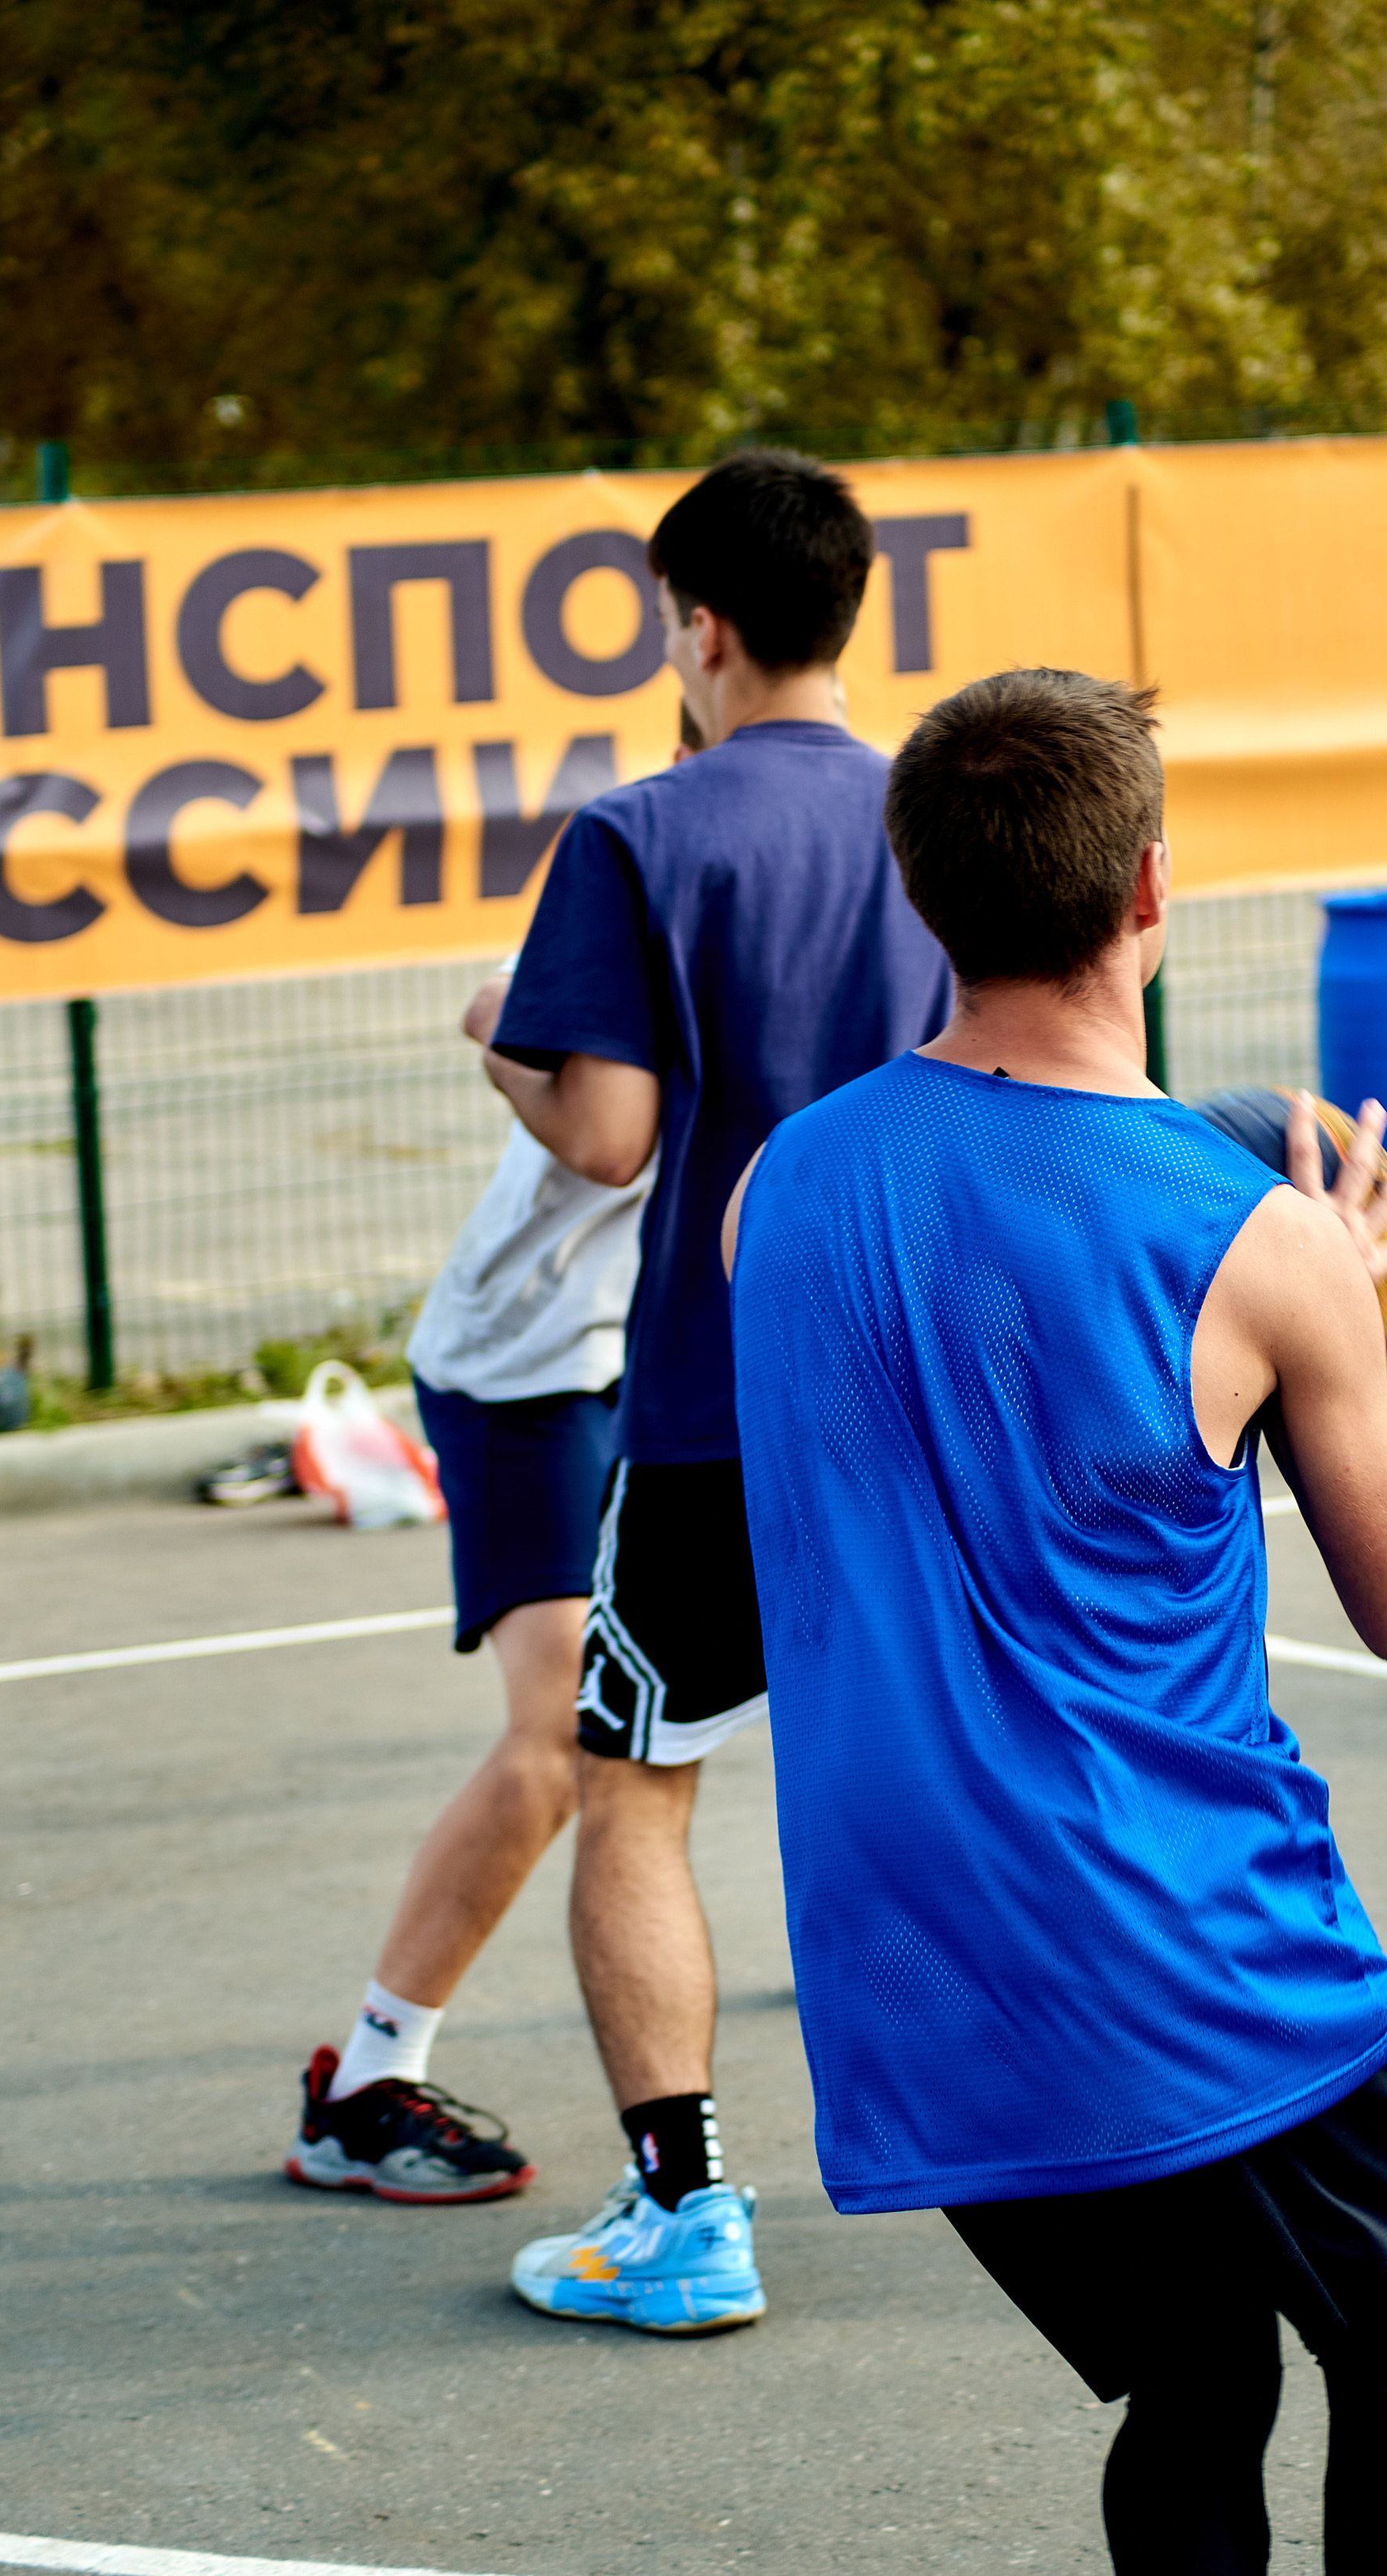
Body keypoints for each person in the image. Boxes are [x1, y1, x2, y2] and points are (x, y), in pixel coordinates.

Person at [723, 670, 1387, 2576]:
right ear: (1153, 893)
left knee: (1188, 2375)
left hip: (917, 1980)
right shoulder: (1249, 1235)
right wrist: (1353, 1319)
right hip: (1189, 1936)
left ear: (922, 899)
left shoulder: (778, 1193)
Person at [472, 450, 952, 2333]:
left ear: (704, 628)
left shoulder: (643, 829)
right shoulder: (950, 812)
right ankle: (1134, 2126)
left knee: (636, 1789)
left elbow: (603, 1143)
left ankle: (684, 2215)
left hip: (725, 1406)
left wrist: (501, 1055)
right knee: (979, 1746)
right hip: (939, 1391)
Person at [282, 940, 654, 2203]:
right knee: (561, 1733)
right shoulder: (656, 870)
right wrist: (530, 1041)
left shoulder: (870, 893)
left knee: (836, 1652)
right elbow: (499, 1004)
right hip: (531, 1366)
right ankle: (364, 2086)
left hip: (673, 1361)